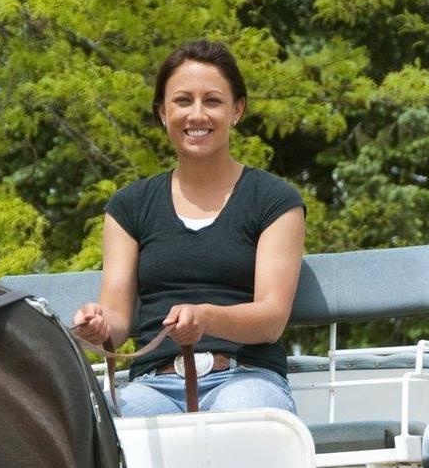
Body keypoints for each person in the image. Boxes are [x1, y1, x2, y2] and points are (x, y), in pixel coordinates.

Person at [71, 40, 307, 415]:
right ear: (163, 112)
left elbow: (271, 319)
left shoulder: (275, 200)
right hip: (153, 385)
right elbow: (116, 323)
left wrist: (205, 318)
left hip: (247, 377)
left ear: (237, 111)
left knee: (245, 412)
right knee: (117, 424)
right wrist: (97, 329)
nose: (197, 114)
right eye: (183, 101)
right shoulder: (128, 207)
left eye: (212, 101)